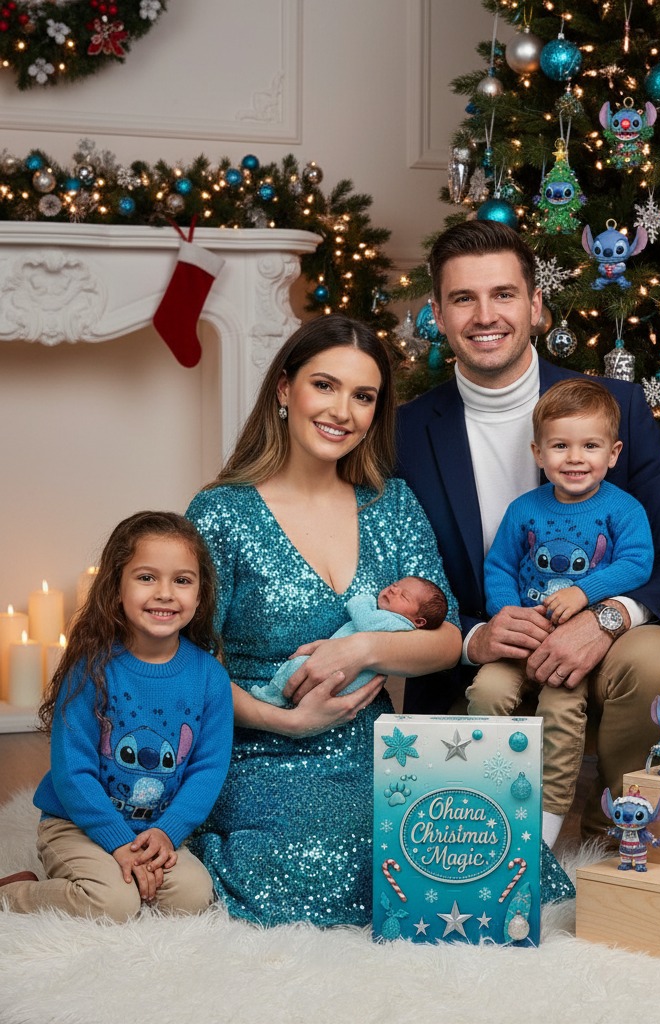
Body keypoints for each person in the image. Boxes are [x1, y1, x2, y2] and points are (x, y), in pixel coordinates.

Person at [184, 313, 573, 927]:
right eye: (325, 386)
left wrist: (361, 649)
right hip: (260, 745)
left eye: (363, 396)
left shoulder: (390, 502)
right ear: (284, 390)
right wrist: (284, 719)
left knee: (470, 855)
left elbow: (447, 640)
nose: (343, 411)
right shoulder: (221, 512)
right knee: (307, 867)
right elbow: (188, 665)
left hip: (376, 745)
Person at [396, 220, 660, 840]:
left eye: (504, 295)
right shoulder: (405, 431)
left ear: (536, 305)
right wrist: (474, 636)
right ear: (437, 313)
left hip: (608, 647)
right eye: (463, 298)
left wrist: (608, 618)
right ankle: (485, 838)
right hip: (483, 664)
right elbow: (389, 580)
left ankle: (619, 832)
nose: (485, 316)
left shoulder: (613, 405)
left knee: (658, 659)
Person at [0, 511, 233, 922]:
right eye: (146, 577)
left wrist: (167, 832)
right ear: (117, 588)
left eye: (182, 580)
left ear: (200, 594)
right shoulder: (92, 669)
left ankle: (126, 871)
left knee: (193, 896)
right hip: (78, 824)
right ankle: (19, 893)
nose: (165, 593)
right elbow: (73, 772)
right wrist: (116, 843)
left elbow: (208, 769)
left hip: (154, 831)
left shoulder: (210, 677)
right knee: (114, 904)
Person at [473, 377, 654, 846]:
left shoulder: (622, 508)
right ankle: (476, 803)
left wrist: (583, 593)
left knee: (559, 716)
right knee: (486, 693)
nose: (575, 458)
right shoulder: (523, 510)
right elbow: (499, 566)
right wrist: (507, 614)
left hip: (572, 654)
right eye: (560, 446)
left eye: (589, 445)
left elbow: (637, 562)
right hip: (520, 643)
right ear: (538, 453)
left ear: (613, 453)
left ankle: (544, 829)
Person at [250, 576, 449, 707]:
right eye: (395, 585)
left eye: (403, 596)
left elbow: (364, 621)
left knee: (297, 666)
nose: (393, 590)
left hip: (344, 679)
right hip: (344, 677)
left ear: (418, 621)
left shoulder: (396, 623)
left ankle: (272, 695)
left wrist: (363, 600)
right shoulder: (393, 621)